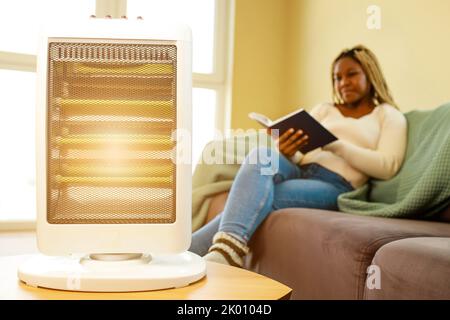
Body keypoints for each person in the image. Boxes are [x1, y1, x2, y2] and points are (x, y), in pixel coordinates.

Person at [189, 45, 407, 267]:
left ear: (370, 74)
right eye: (337, 77)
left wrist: (335, 145)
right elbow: (304, 154)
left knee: (256, 199)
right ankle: (221, 252)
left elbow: (387, 166)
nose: (343, 83)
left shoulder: (388, 115)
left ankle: (192, 253)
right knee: (261, 155)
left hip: (335, 184)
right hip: (300, 169)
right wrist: (287, 150)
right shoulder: (325, 109)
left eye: (351, 74)